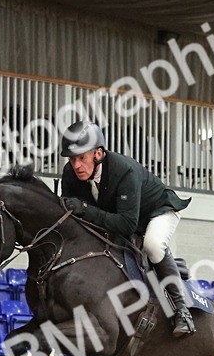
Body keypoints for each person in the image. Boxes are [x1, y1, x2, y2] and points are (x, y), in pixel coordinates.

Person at [58, 121, 196, 337]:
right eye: (72, 159)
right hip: (124, 215)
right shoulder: (70, 174)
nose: (76, 165)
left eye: (81, 158)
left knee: (152, 245)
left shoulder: (124, 171)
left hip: (157, 211)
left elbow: (126, 225)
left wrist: (85, 209)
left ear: (98, 154)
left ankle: (182, 311)